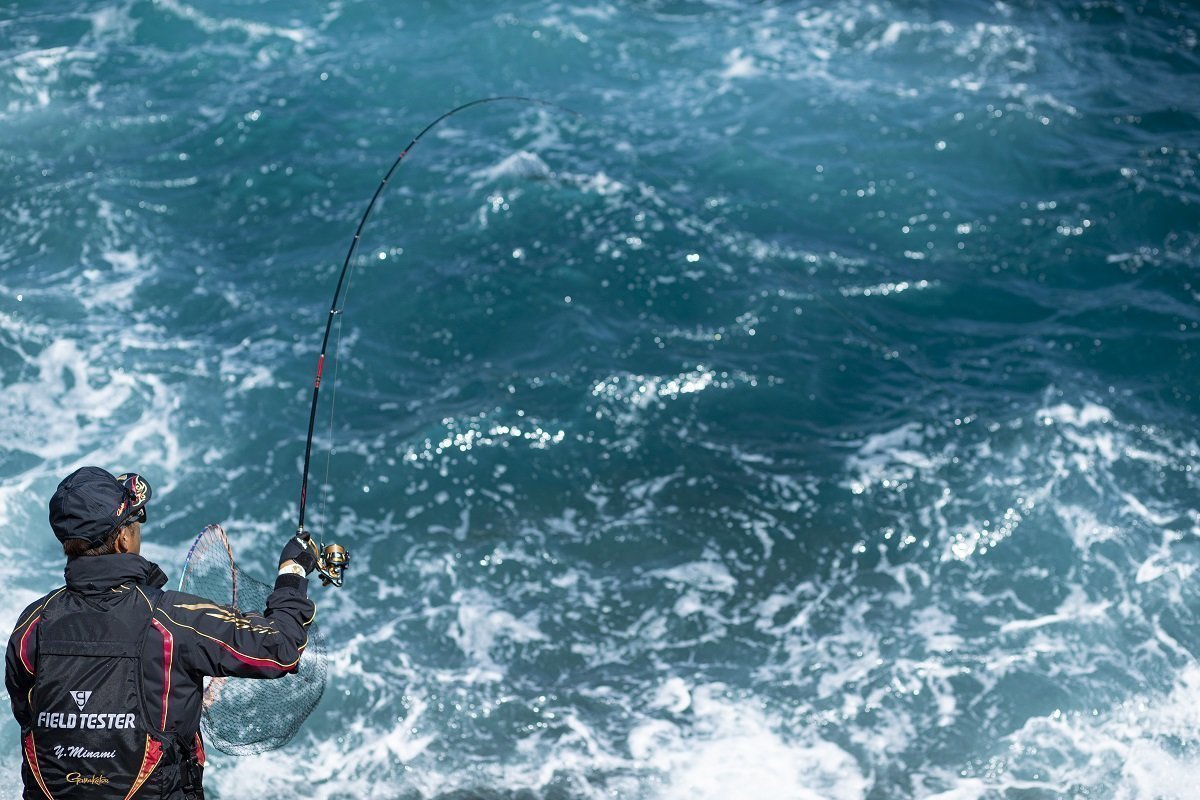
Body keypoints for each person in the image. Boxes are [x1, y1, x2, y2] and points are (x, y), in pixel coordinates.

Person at [5, 466, 320, 799]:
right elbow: (280, 647)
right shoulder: (172, 619)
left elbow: (32, 714)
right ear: (123, 538)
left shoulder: (32, 624)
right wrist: (293, 571)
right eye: (137, 519)